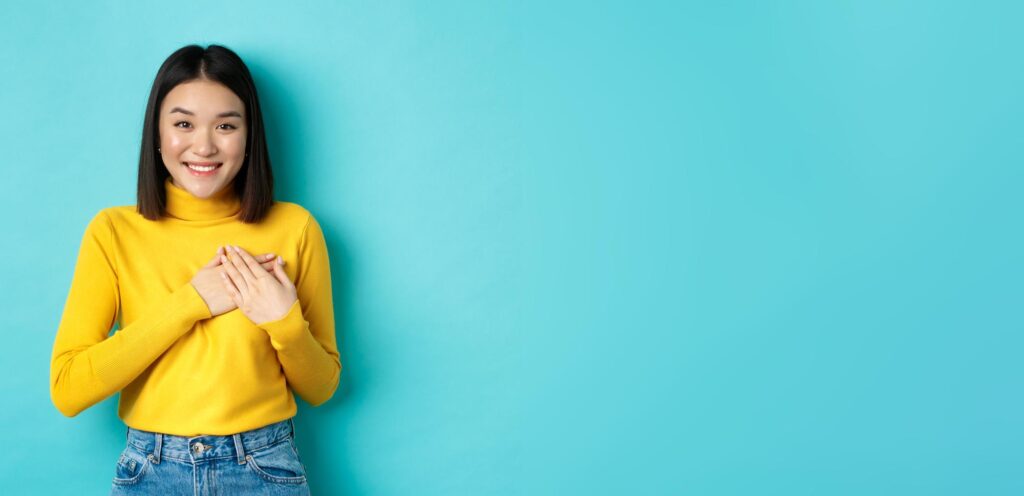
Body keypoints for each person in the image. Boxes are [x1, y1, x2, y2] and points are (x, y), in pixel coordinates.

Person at [49, 44, 341, 495]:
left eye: (226, 125)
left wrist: (284, 323)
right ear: (158, 134)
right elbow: (68, 390)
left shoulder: (295, 227)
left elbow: (322, 388)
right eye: (183, 124)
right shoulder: (113, 231)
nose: (204, 145)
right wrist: (191, 302)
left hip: (265, 468)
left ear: (249, 135)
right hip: (151, 470)